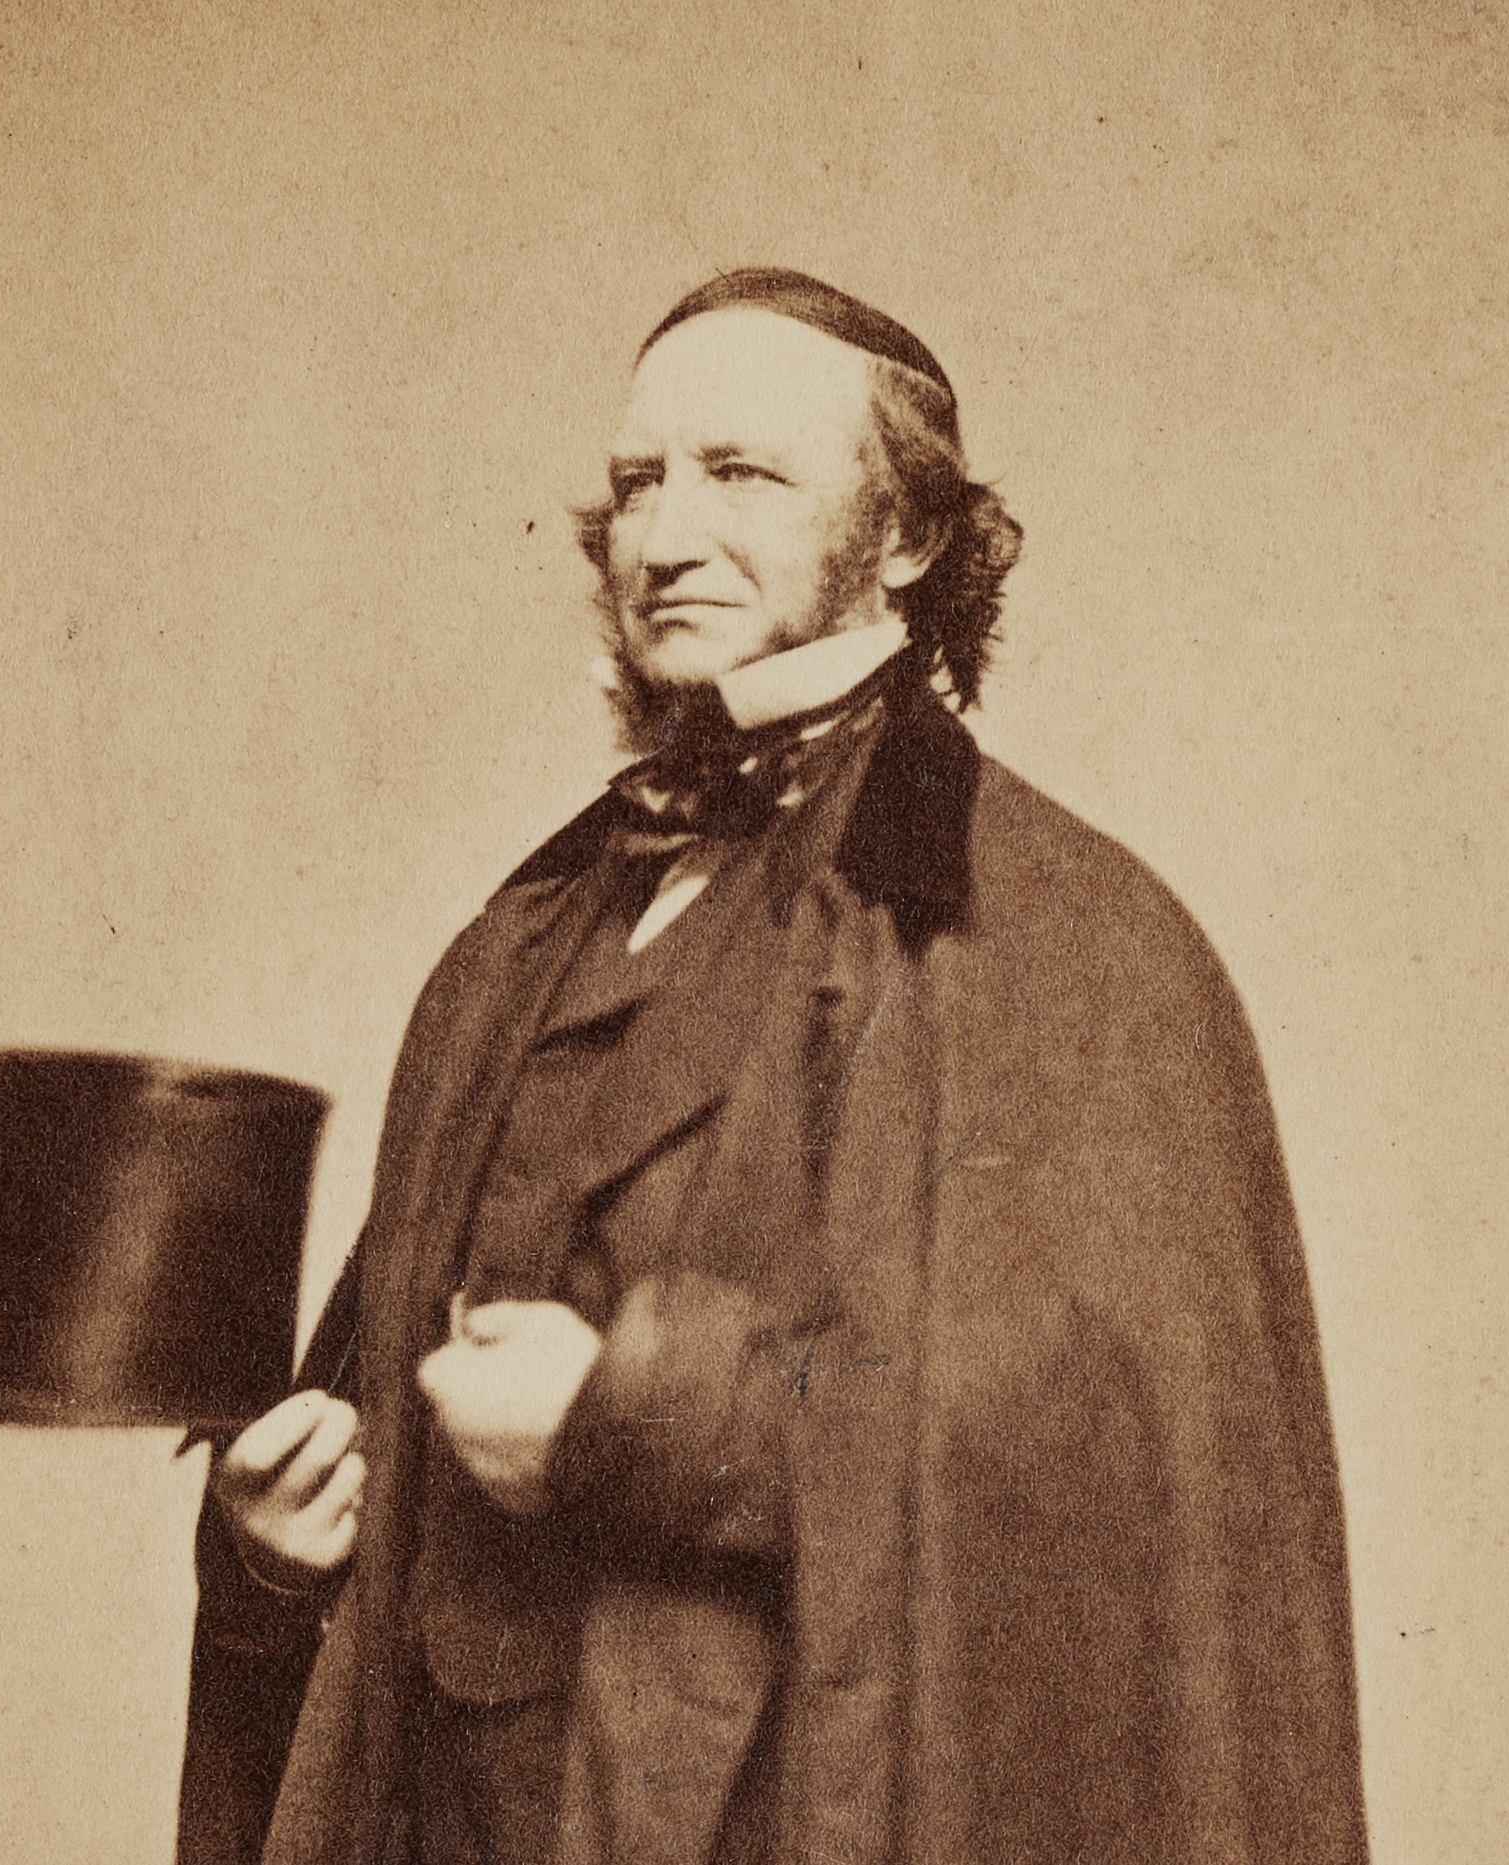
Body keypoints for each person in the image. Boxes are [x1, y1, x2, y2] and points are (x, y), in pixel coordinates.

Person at [176, 268, 1370, 1865]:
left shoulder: (1060, 928)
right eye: (635, 482)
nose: (665, 536)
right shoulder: (521, 934)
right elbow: (386, 1397)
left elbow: (1076, 1452)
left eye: (742, 473)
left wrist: (639, 1413)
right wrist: (274, 1545)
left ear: (907, 536)